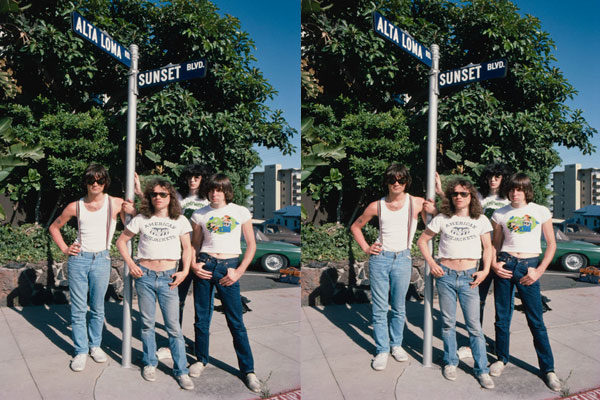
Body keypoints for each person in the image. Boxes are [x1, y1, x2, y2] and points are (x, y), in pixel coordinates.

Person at [115, 178, 194, 390]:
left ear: (171, 197)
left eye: (163, 194)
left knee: (174, 329)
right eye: (154, 194)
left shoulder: (180, 220)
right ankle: (149, 362)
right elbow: (121, 241)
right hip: (145, 277)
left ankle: (181, 371)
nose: (158, 198)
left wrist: (185, 271)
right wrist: (131, 263)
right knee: (147, 325)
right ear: (149, 197)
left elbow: (188, 248)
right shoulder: (141, 218)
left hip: (169, 277)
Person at [417, 178, 495, 389]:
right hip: (446, 277)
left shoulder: (480, 219)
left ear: (471, 197)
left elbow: (488, 248)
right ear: (451, 197)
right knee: (448, 324)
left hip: (470, 277)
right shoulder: (442, 218)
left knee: (474, 328)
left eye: (464, 194)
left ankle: (482, 370)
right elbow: (422, 241)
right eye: (455, 194)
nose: (459, 197)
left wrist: (485, 270)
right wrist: (432, 263)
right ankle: (450, 361)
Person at [49, 164, 126, 372]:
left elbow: (135, 223)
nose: (95, 184)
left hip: (102, 259)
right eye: (91, 180)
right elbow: (54, 227)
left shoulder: (116, 203)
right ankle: (81, 350)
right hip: (79, 260)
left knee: (98, 307)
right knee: (78, 308)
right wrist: (65, 248)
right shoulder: (75, 206)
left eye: (100, 181)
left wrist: (136, 191)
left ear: (105, 182)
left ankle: (95, 346)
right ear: (86, 182)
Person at [489, 172, 561, 392]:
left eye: (519, 189)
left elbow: (551, 245)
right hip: (506, 266)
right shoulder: (500, 213)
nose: (514, 193)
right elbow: (494, 244)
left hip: (529, 267)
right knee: (502, 317)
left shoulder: (540, 211)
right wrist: (494, 264)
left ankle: (548, 369)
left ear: (526, 190)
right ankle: (501, 358)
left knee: (536, 320)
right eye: (511, 189)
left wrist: (539, 271)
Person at [189, 173, 261, 393]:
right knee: (202, 318)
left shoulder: (240, 212)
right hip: (205, 266)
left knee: (236, 321)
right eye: (211, 189)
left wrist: (239, 272)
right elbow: (194, 244)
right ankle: (201, 359)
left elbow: (251, 246)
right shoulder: (199, 214)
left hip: (229, 268)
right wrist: (194, 265)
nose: (214, 193)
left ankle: (248, 370)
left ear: (226, 191)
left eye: (219, 189)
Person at [350, 163, 426, 371]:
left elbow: (441, 217)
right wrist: (366, 247)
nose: (396, 183)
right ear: (387, 181)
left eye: (401, 180)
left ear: (406, 181)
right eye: (392, 180)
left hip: (403, 258)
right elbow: (356, 226)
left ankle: (396, 345)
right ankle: (382, 349)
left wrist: (438, 190)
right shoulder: (377, 205)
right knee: (380, 307)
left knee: (399, 307)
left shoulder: (416, 203)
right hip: (380, 259)